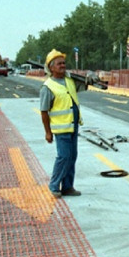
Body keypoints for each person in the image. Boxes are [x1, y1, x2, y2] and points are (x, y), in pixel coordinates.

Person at [40, 49, 87, 198]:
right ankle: (54, 185)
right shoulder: (47, 87)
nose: (63, 65)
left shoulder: (69, 80)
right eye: (59, 63)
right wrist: (48, 132)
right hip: (61, 128)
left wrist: (90, 79)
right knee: (64, 157)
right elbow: (44, 111)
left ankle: (67, 187)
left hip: (73, 125)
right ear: (51, 67)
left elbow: (84, 85)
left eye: (64, 63)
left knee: (72, 156)